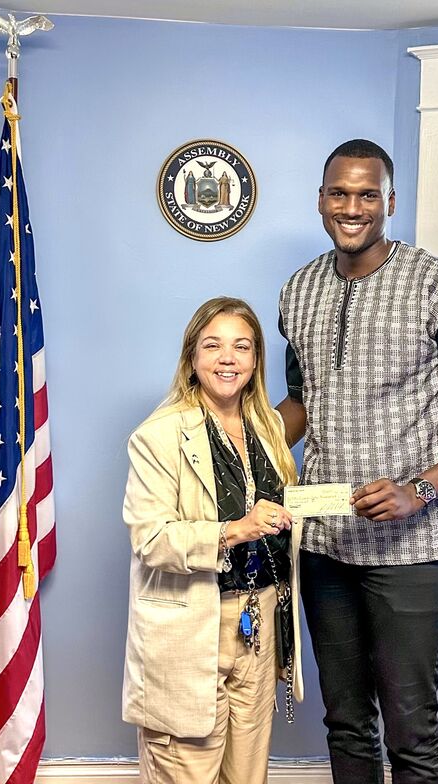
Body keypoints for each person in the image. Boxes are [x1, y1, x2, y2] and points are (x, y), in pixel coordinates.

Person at [277, 139, 438, 784]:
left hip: (414, 545)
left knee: (410, 723)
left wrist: (421, 487)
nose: (351, 207)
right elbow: (306, 401)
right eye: (338, 192)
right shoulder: (297, 291)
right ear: (321, 199)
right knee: (345, 717)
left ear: (390, 200)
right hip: (326, 539)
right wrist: (247, 435)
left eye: (367, 194)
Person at [122, 297, 303, 784]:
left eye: (242, 347)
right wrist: (234, 529)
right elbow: (151, 538)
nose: (229, 358)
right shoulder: (158, 435)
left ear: (256, 360)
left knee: (247, 774)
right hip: (193, 622)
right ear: (192, 357)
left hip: (261, 620)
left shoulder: (267, 426)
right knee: (187, 768)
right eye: (214, 345)